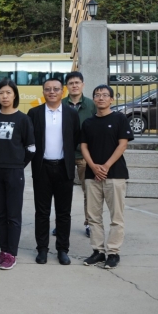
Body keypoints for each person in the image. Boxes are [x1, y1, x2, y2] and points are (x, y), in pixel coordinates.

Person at [27, 77, 80, 266]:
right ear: (43, 92)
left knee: (63, 212)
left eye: (56, 89)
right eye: (48, 89)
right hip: (42, 168)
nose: (52, 92)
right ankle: (42, 249)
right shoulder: (34, 113)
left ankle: (62, 250)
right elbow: (29, 139)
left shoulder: (71, 113)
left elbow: (75, 138)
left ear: (62, 91)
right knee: (42, 212)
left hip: (64, 168)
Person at [81, 84, 133, 270]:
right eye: (97, 95)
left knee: (116, 216)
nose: (101, 98)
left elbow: (123, 144)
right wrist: (93, 167)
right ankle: (98, 251)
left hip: (115, 175)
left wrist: (105, 166)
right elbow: (83, 146)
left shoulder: (119, 118)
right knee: (93, 216)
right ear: (93, 99)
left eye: (104, 95)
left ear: (111, 99)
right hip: (92, 175)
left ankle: (113, 252)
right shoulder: (88, 122)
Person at [0, 79, 35, 270]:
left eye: (8, 93)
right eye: (1, 93)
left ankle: (11, 253)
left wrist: (18, 165)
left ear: (15, 95)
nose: (4, 96)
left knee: (13, 214)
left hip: (14, 171)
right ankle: (3, 251)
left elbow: (31, 148)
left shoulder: (23, 119)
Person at [63, 71, 97, 238]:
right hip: (64, 156)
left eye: (77, 82)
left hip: (85, 155)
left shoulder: (91, 105)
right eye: (71, 83)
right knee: (62, 192)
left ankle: (89, 223)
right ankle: (61, 223)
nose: (74, 86)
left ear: (83, 85)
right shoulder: (60, 104)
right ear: (67, 86)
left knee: (89, 191)